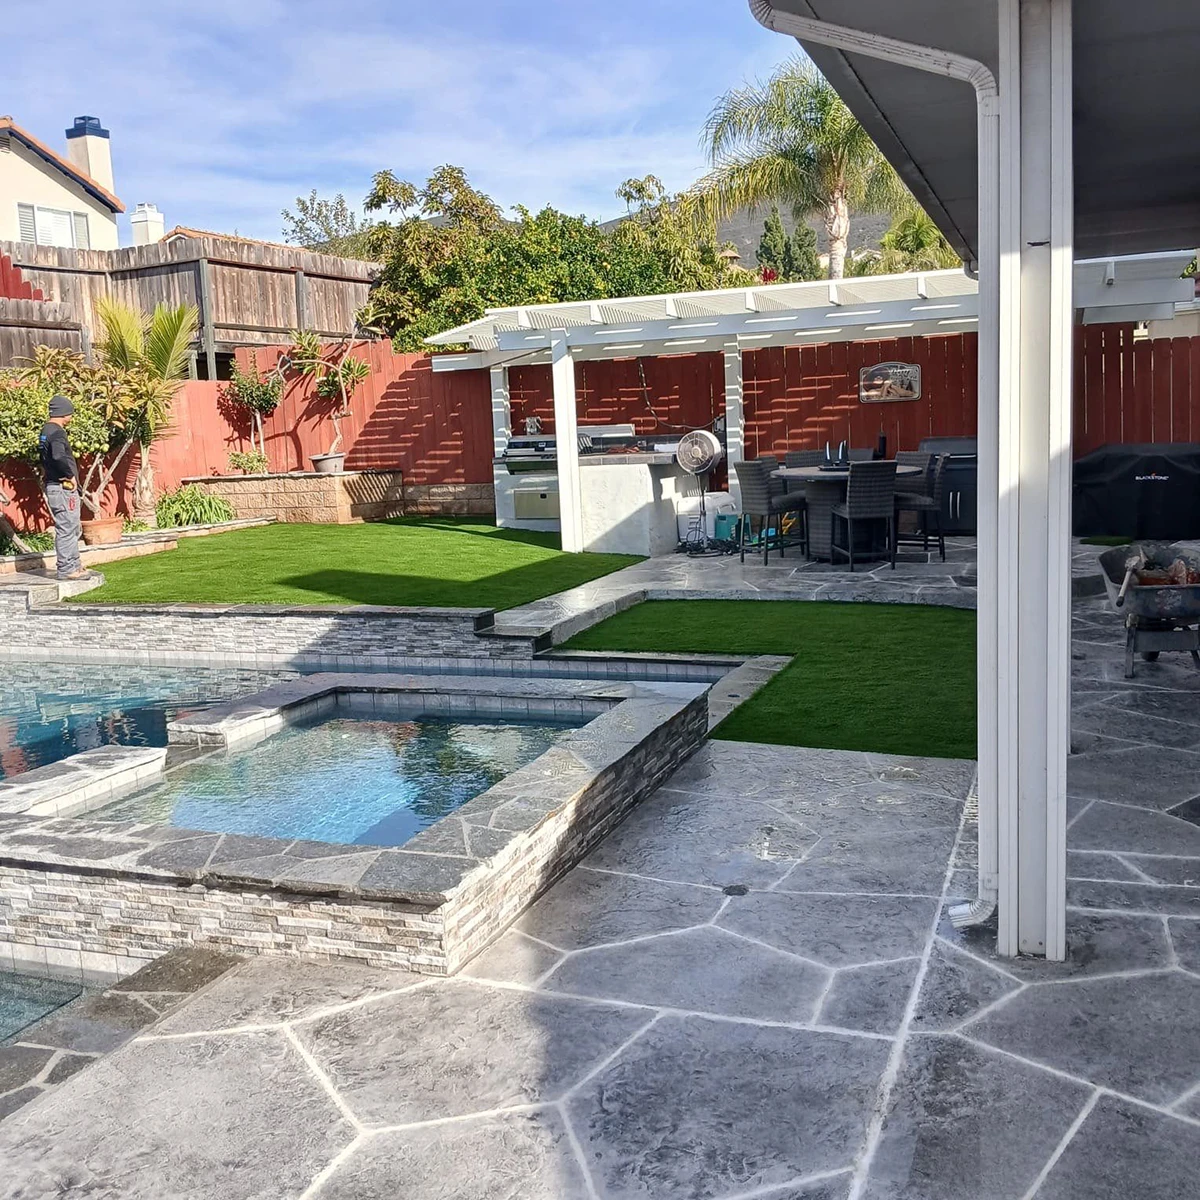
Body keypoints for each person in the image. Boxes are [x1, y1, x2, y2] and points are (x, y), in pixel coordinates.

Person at [39, 394, 89, 581]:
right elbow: (59, 456)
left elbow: (45, 457)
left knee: (71, 527)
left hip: (53, 485)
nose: (71, 417)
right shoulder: (58, 432)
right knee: (68, 527)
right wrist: (69, 476)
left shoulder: (46, 430)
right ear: (64, 413)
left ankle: (75, 565)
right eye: (70, 413)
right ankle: (67, 568)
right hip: (63, 487)